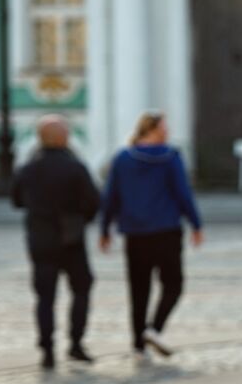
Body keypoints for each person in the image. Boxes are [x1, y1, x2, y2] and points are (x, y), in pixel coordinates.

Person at [99, 111, 204, 362]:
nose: (167, 132)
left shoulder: (123, 158)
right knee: (173, 284)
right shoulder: (171, 157)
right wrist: (196, 223)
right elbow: (182, 192)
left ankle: (138, 345)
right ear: (151, 129)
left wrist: (105, 228)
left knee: (138, 289)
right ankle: (154, 329)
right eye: (163, 128)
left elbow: (111, 195)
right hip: (166, 230)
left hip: (135, 233)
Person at [11, 116, 100, 369]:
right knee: (81, 289)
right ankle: (76, 343)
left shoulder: (27, 169)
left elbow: (16, 200)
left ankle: (47, 349)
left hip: (40, 240)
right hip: (71, 239)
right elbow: (93, 201)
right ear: (64, 138)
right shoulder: (75, 167)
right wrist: (82, 219)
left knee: (44, 297)